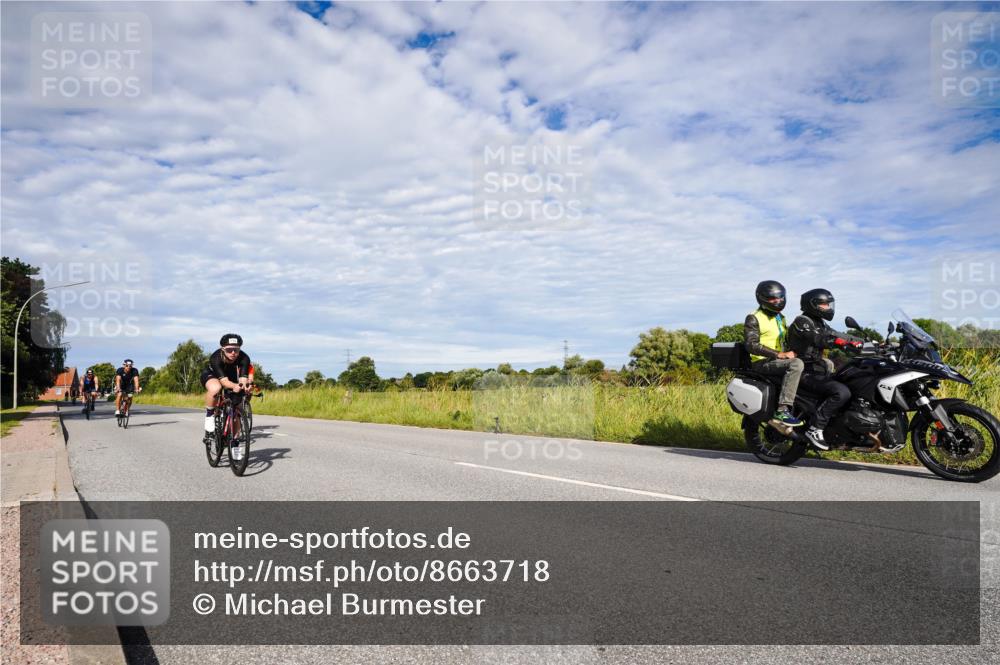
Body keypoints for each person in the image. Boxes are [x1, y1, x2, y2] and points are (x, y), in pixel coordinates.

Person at [787, 288, 859, 450]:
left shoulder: (820, 323)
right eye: (824, 305)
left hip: (818, 371)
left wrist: (866, 342)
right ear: (813, 305)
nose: (828, 308)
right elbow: (817, 338)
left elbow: (838, 334)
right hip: (804, 371)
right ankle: (815, 428)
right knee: (841, 392)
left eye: (829, 304)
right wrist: (839, 342)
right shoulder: (802, 322)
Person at [744, 280, 803, 427]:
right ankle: (782, 410)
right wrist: (779, 354)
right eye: (773, 298)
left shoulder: (780, 317)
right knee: (796, 364)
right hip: (761, 362)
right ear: (762, 298)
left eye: (780, 297)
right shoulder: (754, 317)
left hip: (778, 361)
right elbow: (751, 344)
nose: (778, 301)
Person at [200, 333, 254, 446]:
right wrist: (235, 386)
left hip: (230, 375)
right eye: (229, 350)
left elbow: (243, 380)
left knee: (237, 408)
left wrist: (246, 386)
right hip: (212, 375)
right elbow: (224, 382)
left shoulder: (244, 358)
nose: (233, 352)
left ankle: (235, 441)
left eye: (236, 349)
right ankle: (210, 414)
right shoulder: (216, 358)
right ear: (223, 349)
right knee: (216, 388)